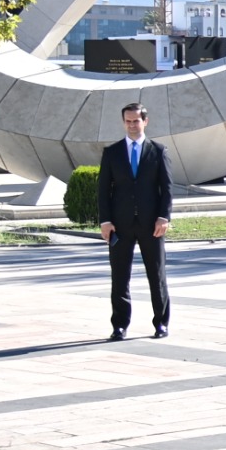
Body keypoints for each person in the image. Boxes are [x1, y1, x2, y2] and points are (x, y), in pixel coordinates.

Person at [98, 103, 173, 339]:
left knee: (156, 274)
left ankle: (161, 323)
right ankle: (119, 325)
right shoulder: (112, 152)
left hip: (152, 225)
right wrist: (105, 220)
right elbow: (103, 190)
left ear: (145, 122)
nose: (132, 125)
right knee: (120, 276)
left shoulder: (158, 151)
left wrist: (164, 216)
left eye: (136, 121)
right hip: (120, 225)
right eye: (128, 121)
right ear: (123, 122)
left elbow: (167, 188)